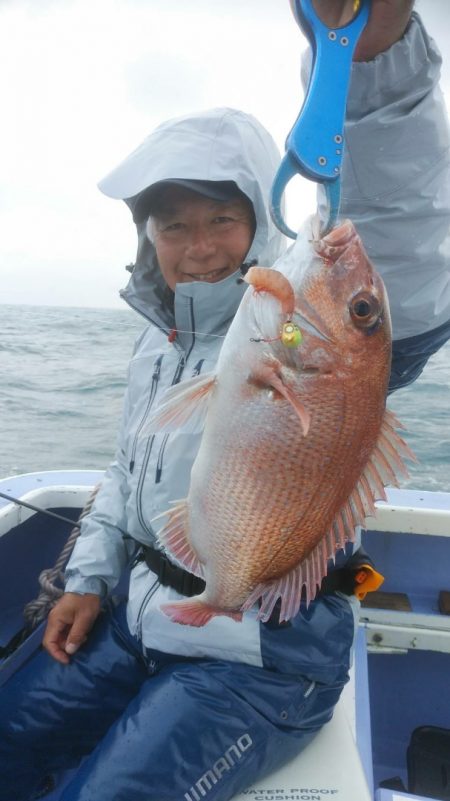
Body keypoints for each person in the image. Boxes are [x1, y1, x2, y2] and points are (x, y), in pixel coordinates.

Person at [1, 2, 449, 800]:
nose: (200, 246)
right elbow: (125, 473)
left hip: (264, 662)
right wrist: (89, 580)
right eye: (173, 226)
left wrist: (375, 60)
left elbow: (400, 226)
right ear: (148, 237)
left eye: (221, 218)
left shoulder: (294, 327)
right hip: (140, 618)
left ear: (259, 219)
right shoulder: (158, 341)